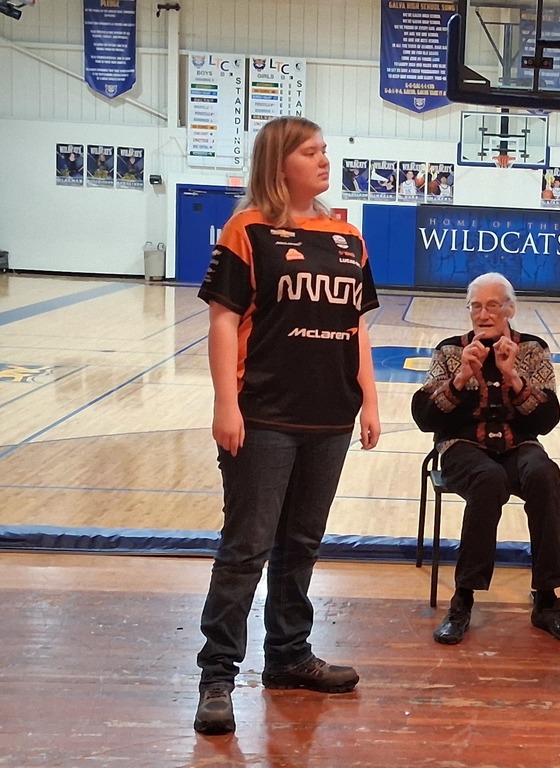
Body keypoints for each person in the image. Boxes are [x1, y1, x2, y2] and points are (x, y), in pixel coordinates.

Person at [193, 115, 381, 736]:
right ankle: (217, 675)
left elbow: (356, 327)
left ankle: (288, 657)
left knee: (301, 545)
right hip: (264, 414)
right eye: (311, 151)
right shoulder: (247, 229)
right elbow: (224, 321)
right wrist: (227, 403)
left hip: (330, 416)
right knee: (247, 548)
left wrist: (370, 401)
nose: (324, 160)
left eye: (326, 149)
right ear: (280, 165)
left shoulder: (348, 236)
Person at [411, 272, 560, 646]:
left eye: (492, 305)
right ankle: (463, 599)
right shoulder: (449, 350)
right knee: (488, 480)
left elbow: (546, 420)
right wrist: (459, 380)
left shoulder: (533, 350)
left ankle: (547, 599)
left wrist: (513, 377)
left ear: (510, 309)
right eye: (476, 306)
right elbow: (426, 417)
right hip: (462, 448)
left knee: (544, 475)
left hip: (518, 447)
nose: (483, 313)